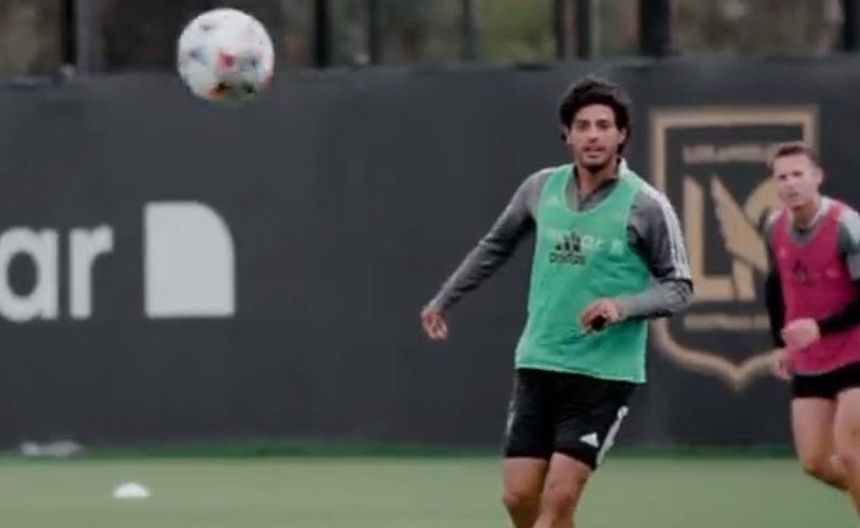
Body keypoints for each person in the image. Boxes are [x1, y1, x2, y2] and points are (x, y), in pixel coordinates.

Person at [420, 76, 692, 528]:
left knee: (559, 500)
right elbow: (496, 245)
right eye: (582, 126)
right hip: (539, 362)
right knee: (518, 498)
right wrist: (445, 298)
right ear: (566, 134)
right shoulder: (540, 188)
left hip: (601, 375)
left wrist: (620, 307)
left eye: (604, 125)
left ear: (622, 134)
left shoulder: (646, 204)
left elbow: (679, 287)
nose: (593, 135)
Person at [766, 140, 860, 516]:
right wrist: (781, 343)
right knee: (816, 462)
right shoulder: (774, 227)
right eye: (782, 177)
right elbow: (775, 287)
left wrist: (821, 327)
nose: (790, 183)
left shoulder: (846, 226)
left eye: (798, 174)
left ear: (817, 177)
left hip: (855, 351)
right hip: (811, 360)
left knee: (850, 450)